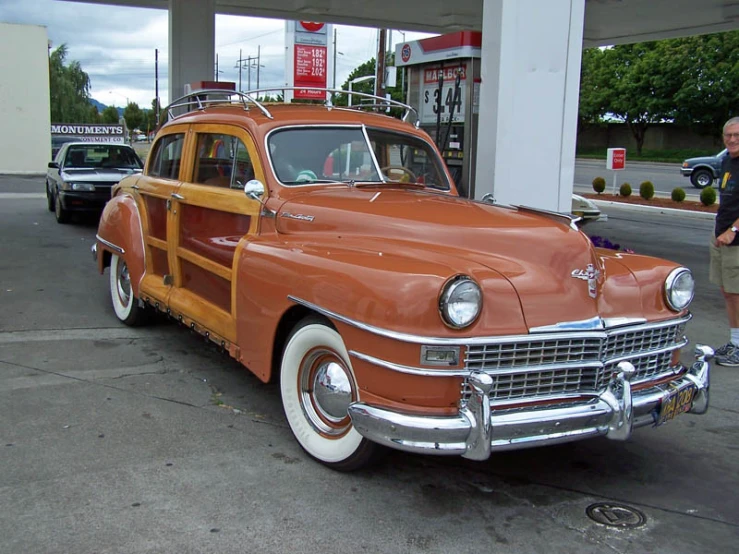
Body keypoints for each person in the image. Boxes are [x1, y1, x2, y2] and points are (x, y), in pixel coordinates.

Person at [710, 116, 739, 365]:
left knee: (736, 292)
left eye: (737, 135)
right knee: (728, 292)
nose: (731, 139)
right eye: (728, 135)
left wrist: (734, 230)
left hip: (735, 240)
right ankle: (735, 342)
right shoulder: (727, 161)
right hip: (721, 236)